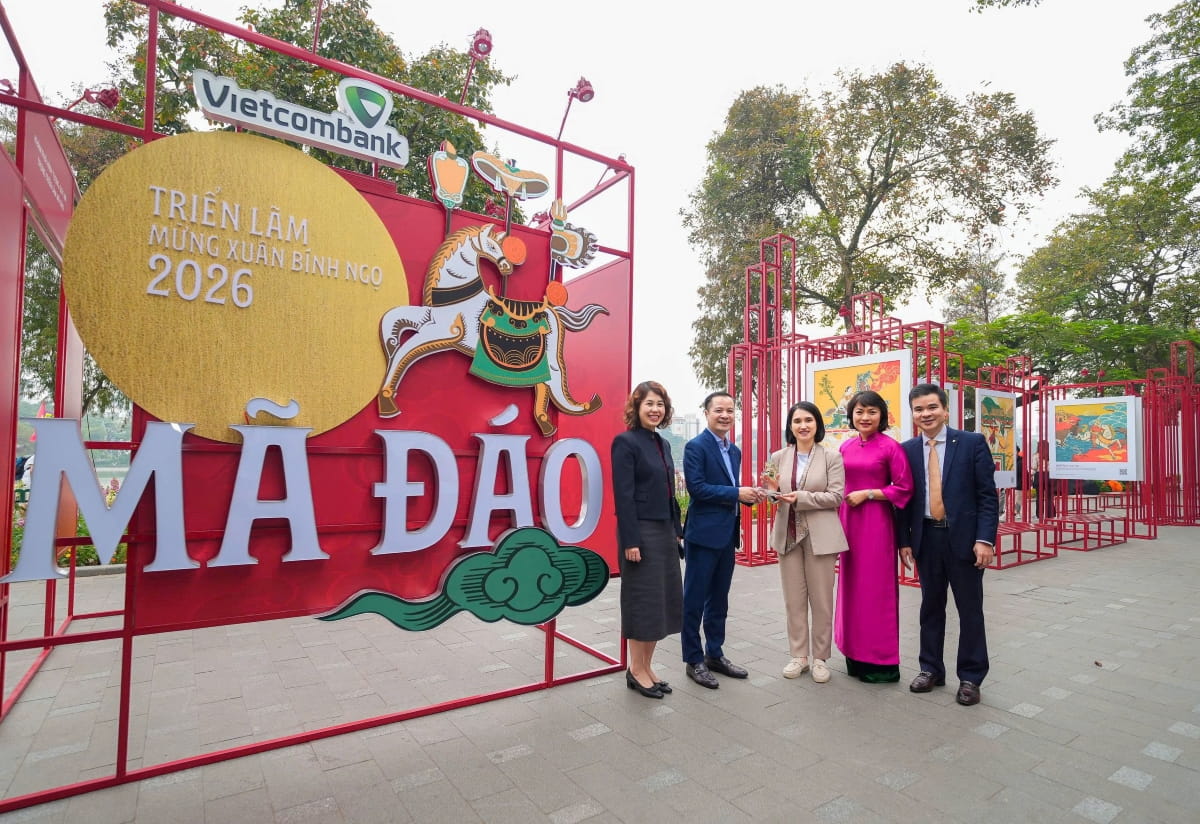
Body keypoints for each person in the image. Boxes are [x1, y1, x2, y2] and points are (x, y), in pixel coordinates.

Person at [898, 383, 999, 706]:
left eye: (932, 407)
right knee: (930, 607)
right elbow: (903, 499)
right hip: (926, 539)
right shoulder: (907, 450)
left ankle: (971, 677)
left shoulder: (971, 443)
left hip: (965, 541)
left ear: (945, 410)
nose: (925, 414)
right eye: (919, 409)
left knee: (970, 610)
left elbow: (987, 496)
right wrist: (904, 540)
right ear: (913, 414)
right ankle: (930, 669)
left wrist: (985, 539)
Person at [681, 391, 763, 689]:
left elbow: (729, 490)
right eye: (719, 410)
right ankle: (693, 659)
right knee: (694, 600)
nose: (725, 415)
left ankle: (714, 653)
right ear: (707, 413)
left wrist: (749, 497)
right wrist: (737, 493)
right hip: (702, 536)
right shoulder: (695, 447)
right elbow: (697, 489)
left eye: (730, 410)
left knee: (719, 599)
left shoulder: (734, 450)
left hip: (727, 536)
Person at [762, 401, 848, 684]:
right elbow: (770, 492)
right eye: (797, 421)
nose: (803, 426)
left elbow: (836, 496)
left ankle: (820, 658)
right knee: (794, 600)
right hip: (787, 535)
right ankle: (799, 656)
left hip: (820, 536)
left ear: (817, 424)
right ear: (790, 426)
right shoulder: (777, 457)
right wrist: (772, 492)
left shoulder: (832, 457)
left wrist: (801, 497)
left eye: (808, 420)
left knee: (821, 600)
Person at [611, 381, 685, 699]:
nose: (655, 410)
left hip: (664, 530)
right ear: (637, 407)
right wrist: (631, 541)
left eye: (660, 404)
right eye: (649, 404)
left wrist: (677, 529)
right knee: (642, 601)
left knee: (661, 601)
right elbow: (623, 496)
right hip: (640, 532)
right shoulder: (625, 442)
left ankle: (647, 667)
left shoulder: (663, 443)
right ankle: (635, 669)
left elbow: (669, 492)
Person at [834, 390, 913, 683]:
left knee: (876, 591)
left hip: (877, 526)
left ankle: (881, 662)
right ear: (851, 415)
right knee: (851, 590)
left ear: (882, 416)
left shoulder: (891, 447)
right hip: (847, 523)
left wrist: (869, 493)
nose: (865, 417)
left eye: (871, 412)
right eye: (859, 412)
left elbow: (904, 488)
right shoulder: (845, 446)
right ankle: (854, 655)